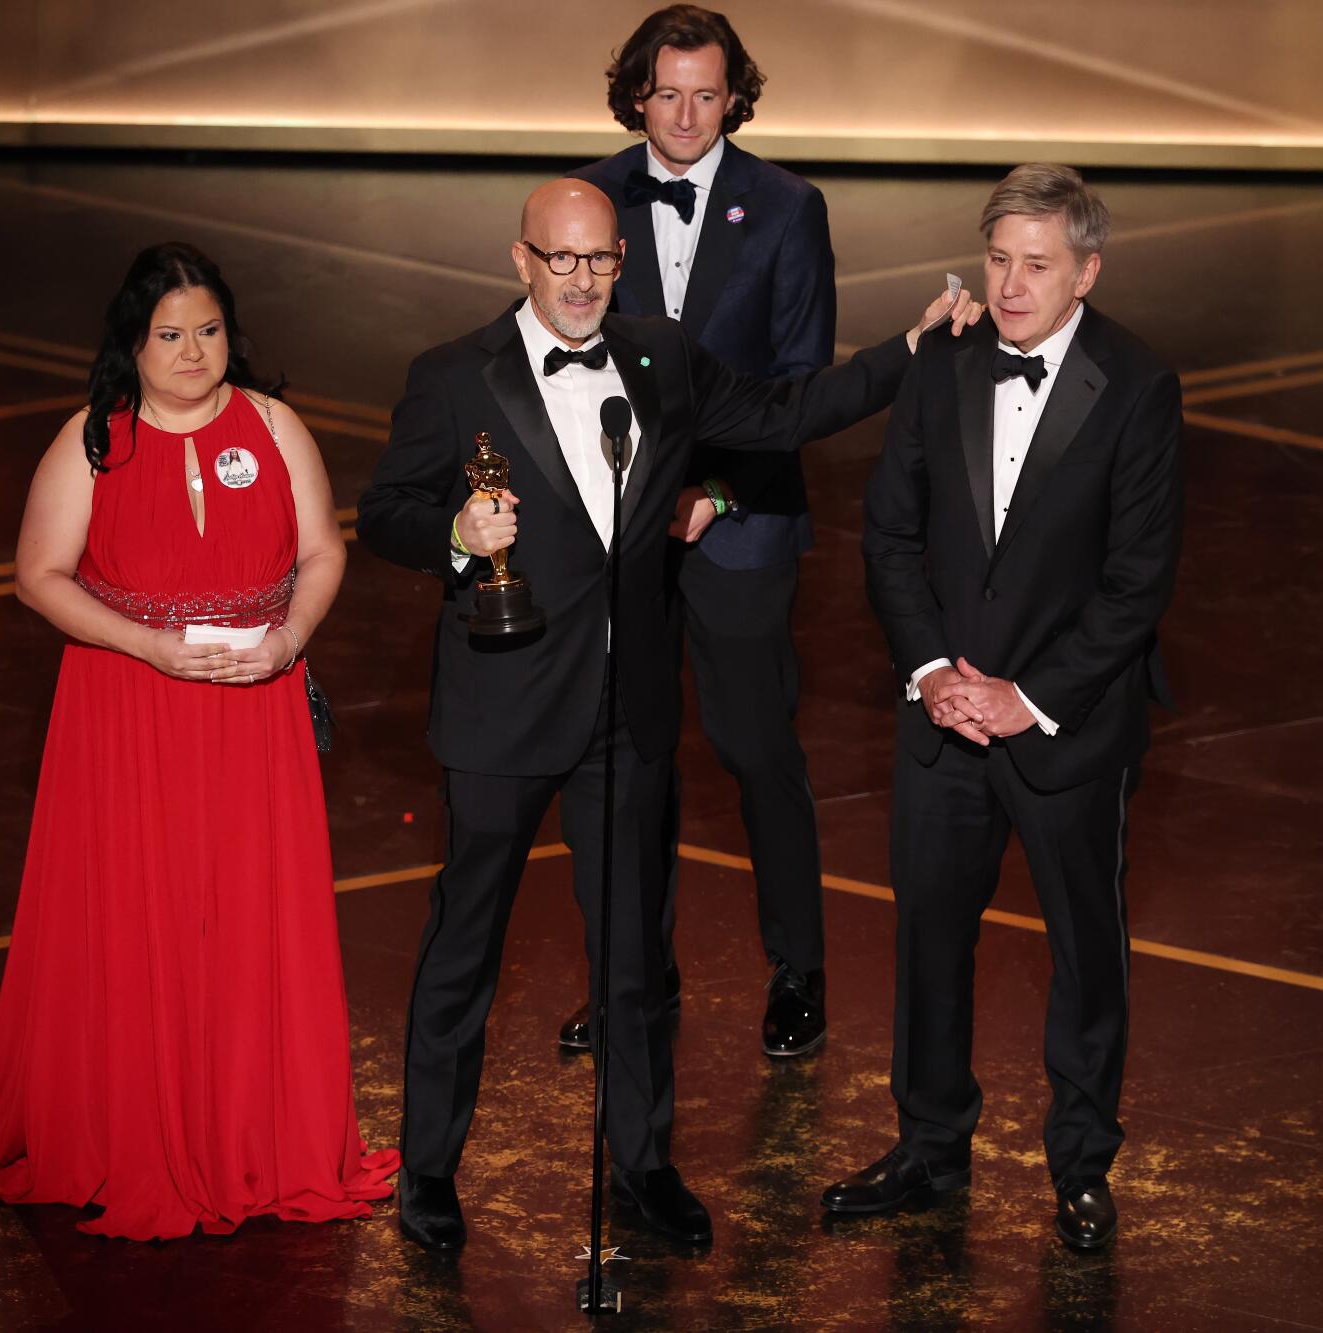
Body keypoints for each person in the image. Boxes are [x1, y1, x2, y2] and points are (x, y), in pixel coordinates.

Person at [357, 180, 953, 1253]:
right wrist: (453, 529)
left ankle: (640, 1164)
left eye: (599, 261)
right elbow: (386, 515)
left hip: (623, 714)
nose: (581, 281)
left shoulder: (660, 356)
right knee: (463, 955)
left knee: (632, 960)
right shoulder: (449, 377)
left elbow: (780, 414)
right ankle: (430, 1170)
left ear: (618, 260)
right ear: (519, 259)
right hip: (498, 713)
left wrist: (903, 352)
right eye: (560, 260)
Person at [0, 242, 398, 1240]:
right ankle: (127, 1127)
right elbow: (39, 576)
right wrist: (151, 647)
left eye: (208, 331)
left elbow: (324, 552)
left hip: (254, 709)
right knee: (129, 911)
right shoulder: (91, 441)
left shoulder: (276, 426)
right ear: (131, 343)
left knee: (246, 913)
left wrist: (288, 640)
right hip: (124, 711)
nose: (192, 353)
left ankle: (255, 1134)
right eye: (169, 335)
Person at [827, 165, 1183, 1252]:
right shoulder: (940, 364)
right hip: (942, 715)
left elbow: (1137, 583)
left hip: (1063, 726)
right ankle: (929, 1145)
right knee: (928, 938)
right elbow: (887, 533)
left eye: (1036, 265)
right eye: (997, 261)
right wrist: (934, 672)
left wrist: (1026, 699)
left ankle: (1079, 1162)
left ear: (1085, 269)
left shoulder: (1135, 383)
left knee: (1085, 948)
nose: (1011, 284)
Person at [563, 4, 838, 1058]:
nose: (683, 114)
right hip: (619, 531)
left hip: (739, 527)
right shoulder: (585, 197)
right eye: (664, 91)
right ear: (636, 92)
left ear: (735, 98)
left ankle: (797, 971)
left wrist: (713, 495)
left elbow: (798, 389)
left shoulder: (784, 208)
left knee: (755, 748)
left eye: (705, 94)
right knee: (625, 757)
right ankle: (635, 977)